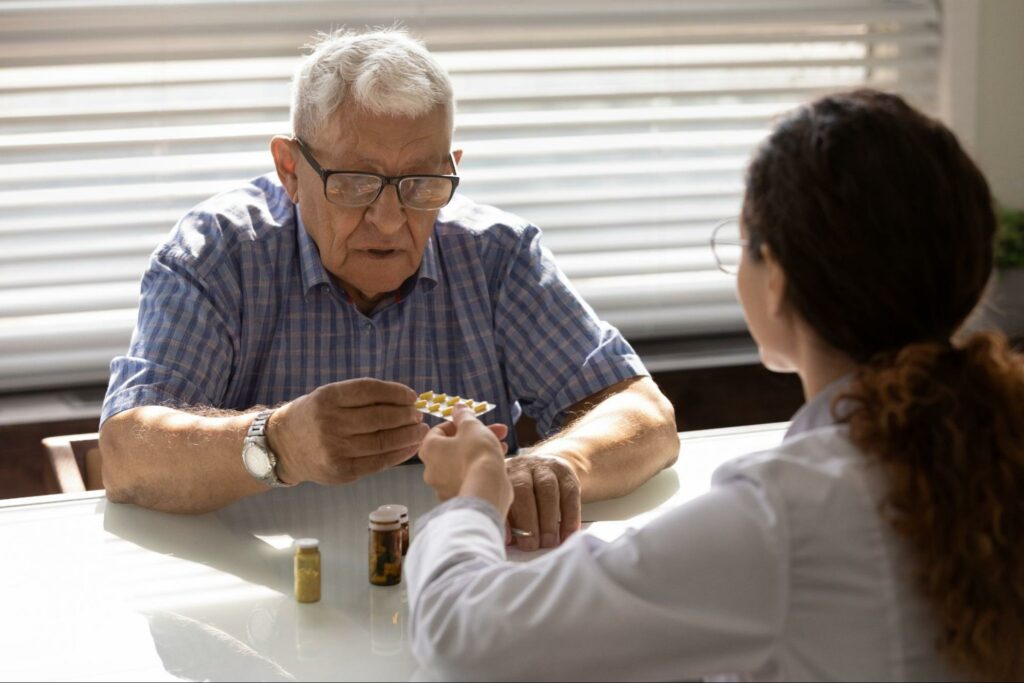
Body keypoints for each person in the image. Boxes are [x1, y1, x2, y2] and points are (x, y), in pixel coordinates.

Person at [406, 89, 1024, 681]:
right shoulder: (989, 442)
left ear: (776, 278)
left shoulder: (781, 517)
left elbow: (467, 640)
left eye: (746, 244)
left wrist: (472, 498)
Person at [97, 27, 679, 545]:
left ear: (451, 166)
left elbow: (643, 414)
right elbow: (127, 456)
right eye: (355, 183)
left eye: (422, 183)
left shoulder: (495, 254)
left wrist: (557, 464)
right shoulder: (218, 254)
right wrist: (278, 443)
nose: (390, 219)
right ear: (290, 170)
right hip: (262, 587)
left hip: (459, 585)